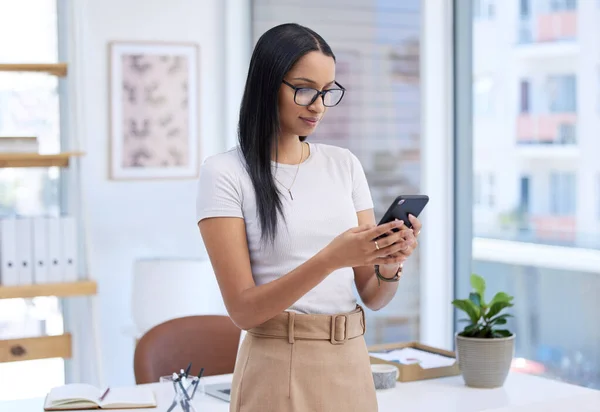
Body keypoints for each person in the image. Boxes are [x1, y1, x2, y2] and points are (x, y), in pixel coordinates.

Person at [196, 22, 421, 412]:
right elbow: (243, 310)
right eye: (304, 89)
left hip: (350, 359)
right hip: (276, 363)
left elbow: (373, 296)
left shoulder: (343, 164)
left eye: (327, 92)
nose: (317, 105)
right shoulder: (225, 174)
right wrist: (331, 258)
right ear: (268, 84)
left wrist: (391, 261)